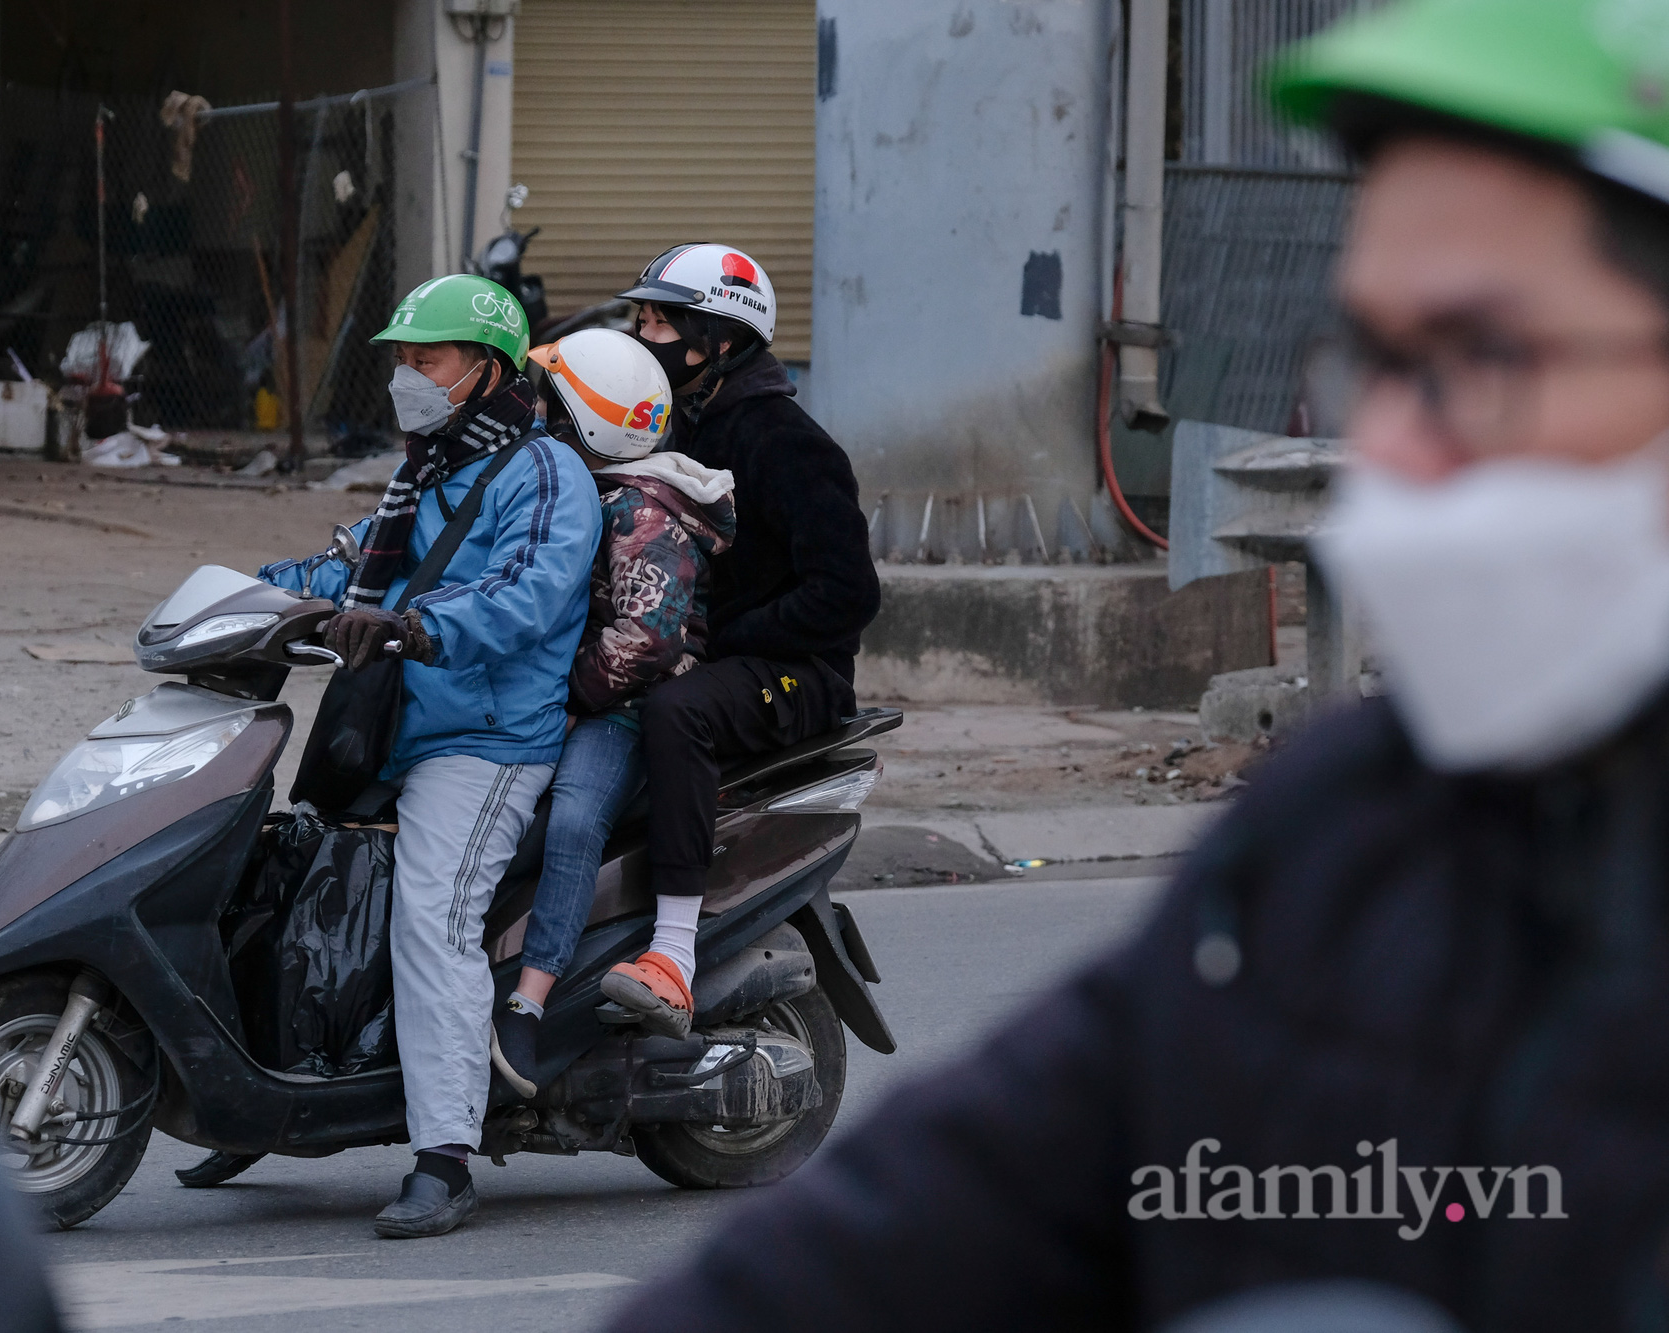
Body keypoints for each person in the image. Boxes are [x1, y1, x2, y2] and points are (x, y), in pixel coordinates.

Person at [606, 1, 1669, 1326]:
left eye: (1485, 355)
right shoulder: (1342, 823)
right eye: (1377, 362)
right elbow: (961, 1197)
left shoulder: (780, 440)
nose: (1394, 446)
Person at [259, 274, 599, 1240]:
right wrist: (247, 598)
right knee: (292, 869)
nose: (409, 376)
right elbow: (348, 563)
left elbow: (527, 592)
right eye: (403, 359)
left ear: (486, 369)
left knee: (431, 917)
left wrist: (417, 626)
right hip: (401, 723)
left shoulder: (544, 473)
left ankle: (444, 1158)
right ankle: (271, 1109)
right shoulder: (424, 471)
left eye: (429, 359)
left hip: (490, 740)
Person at [591, 245, 879, 1037]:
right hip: (723, 652)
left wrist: (724, 637)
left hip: (794, 672)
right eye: (639, 315)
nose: (641, 331)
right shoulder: (667, 423)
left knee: (677, 711)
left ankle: (674, 955)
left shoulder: (784, 441)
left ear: (716, 339)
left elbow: (849, 593)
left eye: (659, 319)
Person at [487, 328, 736, 1095]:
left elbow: (647, 641)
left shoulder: (640, 510)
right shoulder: (577, 488)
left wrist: (571, 702)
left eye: (550, 403)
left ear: (585, 425)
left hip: (625, 705)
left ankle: (529, 1001)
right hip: (572, 690)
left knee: (569, 821)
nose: (533, 411)